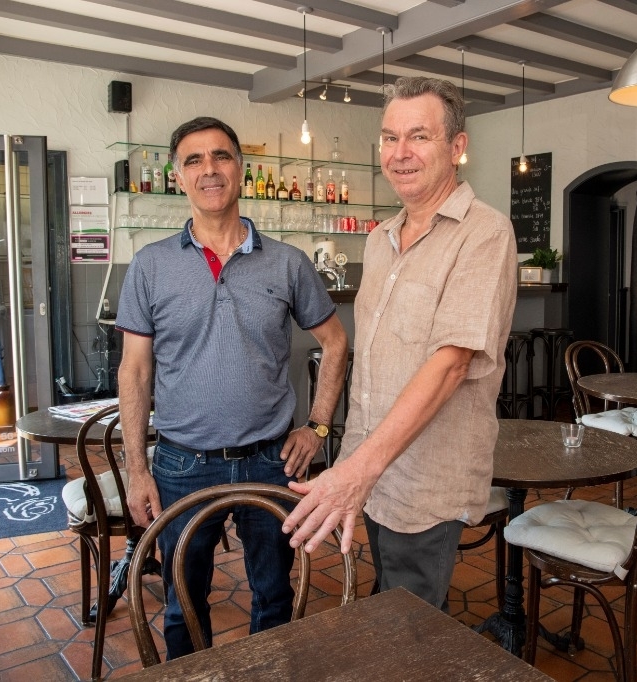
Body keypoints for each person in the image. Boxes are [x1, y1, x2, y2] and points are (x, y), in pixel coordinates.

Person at [116, 116, 348, 658]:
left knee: (273, 598)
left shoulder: (287, 262)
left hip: (271, 460)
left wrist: (316, 427)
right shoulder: (150, 266)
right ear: (177, 176)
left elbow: (335, 344)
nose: (209, 170)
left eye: (220, 156)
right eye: (193, 160)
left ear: (241, 170)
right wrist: (136, 469)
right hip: (181, 464)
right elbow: (134, 372)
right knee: (183, 604)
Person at [282, 77, 518, 609]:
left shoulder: (484, 232)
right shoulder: (379, 237)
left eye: (419, 137)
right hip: (371, 470)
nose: (400, 153)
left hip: (425, 478)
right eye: (389, 138)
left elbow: (452, 364)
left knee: (409, 627)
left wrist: (353, 473)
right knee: (386, 604)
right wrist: (357, 465)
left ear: (456, 148)